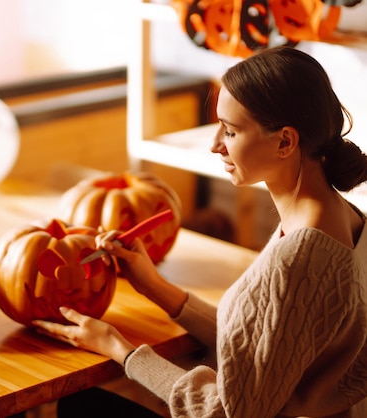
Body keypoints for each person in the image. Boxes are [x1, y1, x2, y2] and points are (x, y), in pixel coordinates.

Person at [33, 46, 367, 417]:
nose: (215, 145)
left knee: (81, 405)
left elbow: (228, 412)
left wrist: (121, 350)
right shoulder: (341, 216)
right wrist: (155, 288)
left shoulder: (300, 258)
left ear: (285, 141)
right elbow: (264, 345)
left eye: (231, 131)